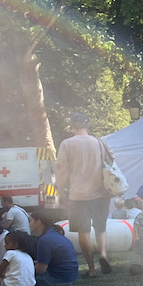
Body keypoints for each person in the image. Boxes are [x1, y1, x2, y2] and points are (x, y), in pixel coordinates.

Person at [55, 111, 112, 276]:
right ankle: (103, 254)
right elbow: (111, 163)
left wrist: (59, 191)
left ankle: (92, 269)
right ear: (87, 126)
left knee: (83, 232)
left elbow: (63, 171)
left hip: (78, 195)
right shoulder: (100, 143)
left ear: (72, 127)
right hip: (101, 193)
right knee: (101, 228)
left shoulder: (67, 144)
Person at [29, 207, 79, 286]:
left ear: (38, 222)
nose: (29, 224)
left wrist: (27, 268)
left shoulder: (44, 240)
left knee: (21, 279)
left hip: (58, 279)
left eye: (30, 221)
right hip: (71, 276)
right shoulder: (54, 234)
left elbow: (41, 270)